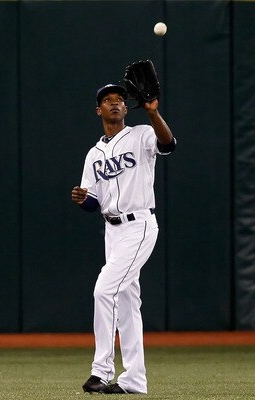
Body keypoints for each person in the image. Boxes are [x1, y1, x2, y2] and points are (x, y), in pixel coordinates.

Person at [71, 83, 176, 394]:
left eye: (119, 100)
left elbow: (169, 144)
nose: (114, 103)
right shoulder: (94, 153)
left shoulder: (142, 134)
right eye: (107, 100)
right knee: (128, 303)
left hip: (139, 225)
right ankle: (134, 380)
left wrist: (154, 114)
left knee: (104, 290)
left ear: (126, 109)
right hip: (112, 231)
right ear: (98, 110)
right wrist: (82, 199)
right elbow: (94, 202)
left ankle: (101, 371)